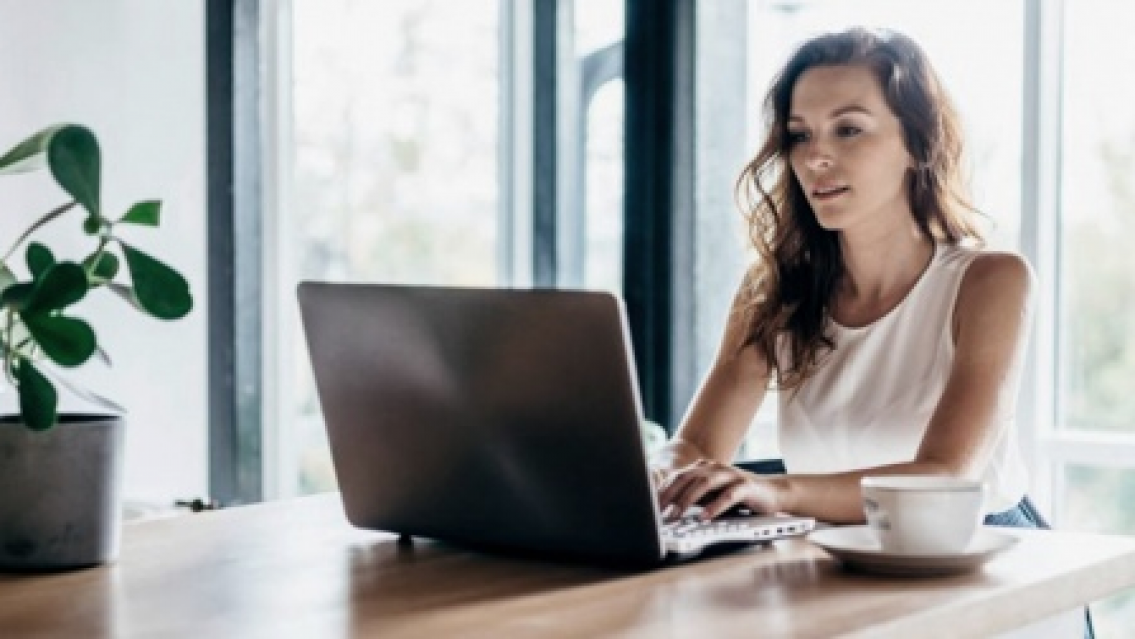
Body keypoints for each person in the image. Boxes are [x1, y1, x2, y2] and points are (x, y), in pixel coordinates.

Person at [652, 25, 1092, 636]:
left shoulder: (991, 280)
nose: (815, 157)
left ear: (917, 143)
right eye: (800, 135)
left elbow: (946, 476)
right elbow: (695, 448)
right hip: (839, 566)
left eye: (849, 129)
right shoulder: (772, 292)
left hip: (988, 575)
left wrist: (774, 492)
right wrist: (654, 474)